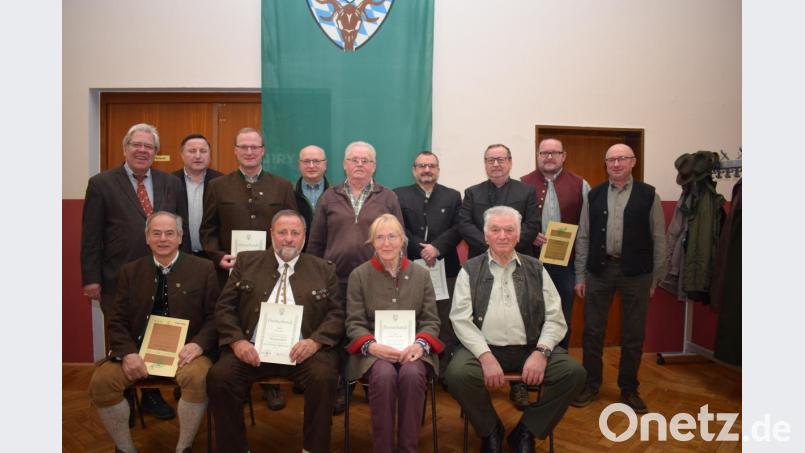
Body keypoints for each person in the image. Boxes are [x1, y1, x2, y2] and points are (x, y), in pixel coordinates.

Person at [446, 206, 585, 453]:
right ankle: (490, 429)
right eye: (495, 230)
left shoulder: (536, 268)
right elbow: (460, 319)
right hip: (484, 349)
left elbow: (555, 317)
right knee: (456, 375)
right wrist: (485, 356)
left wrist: (541, 352)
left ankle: (526, 431)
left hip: (530, 348)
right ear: (485, 235)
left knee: (573, 374)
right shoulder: (470, 270)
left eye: (509, 230)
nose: (502, 236)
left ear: (518, 235)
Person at [207, 210, 344, 453]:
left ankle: (313, 449)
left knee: (324, 377)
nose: (288, 238)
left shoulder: (323, 269)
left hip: (304, 351)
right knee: (220, 377)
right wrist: (237, 342)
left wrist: (314, 342)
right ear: (271, 234)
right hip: (252, 350)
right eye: (282, 232)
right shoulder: (247, 262)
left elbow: (336, 314)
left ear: (304, 237)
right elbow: (224, 308)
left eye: (295, 233)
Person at [81, 123, 188, 420]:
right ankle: (125, 399)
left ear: (156, 152)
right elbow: (90, 235)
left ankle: (151, 395)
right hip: (117, 276)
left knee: (156, 335)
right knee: (124, 337)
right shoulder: (101, 183)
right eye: (136, 145)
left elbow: (182, 228)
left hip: (163, 275)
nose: (142, 150)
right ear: (125, 148)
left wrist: (186, 268)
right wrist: (91, 278)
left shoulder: (170, 183)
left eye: (148, 146)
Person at [88, 211, 219, 453]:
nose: (163, 239)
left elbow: (215, 317)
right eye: (156, 233)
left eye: (170, 233)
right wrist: (128, 353)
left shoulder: (203, 268)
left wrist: (199, 344)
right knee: (102, 381)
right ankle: (125, 448)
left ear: (180, 237)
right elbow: (117, 320)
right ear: (147, 237)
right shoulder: (130, 271)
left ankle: (184, 447)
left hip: (186, 354)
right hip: (138, 352)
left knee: (198, 378)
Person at [200, 127, 297, 410]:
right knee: (238, 320)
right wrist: (218, 256)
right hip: (233, 270)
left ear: (263, 150)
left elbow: (293, 226)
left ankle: (270, 384)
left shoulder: (282, 186)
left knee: (268, 321)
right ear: (235, 151)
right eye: (243, 146)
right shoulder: (218, 186)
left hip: (273, 270)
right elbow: (208, 230)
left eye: (255, 147)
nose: (249, 151)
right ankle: (238, 384)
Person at [307, 141, 403, 411]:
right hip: (335, 279)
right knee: (339, 335)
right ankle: (343, 386)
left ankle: (373, 384)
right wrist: (315, 277)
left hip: (376, 280)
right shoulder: (329, 197)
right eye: (354, 159)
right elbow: (315, 242)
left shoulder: (388, 197)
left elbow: (400, 240)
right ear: (344, 164)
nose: (360, 164)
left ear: (374, 165)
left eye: (366, 160)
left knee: (369, 332)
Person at [571, 143, 667, 414]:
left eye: (622, 158)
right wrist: (580, 275)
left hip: (637, 274)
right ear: (606, 164)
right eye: (611, 159)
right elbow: (584, 236)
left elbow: (659, 239)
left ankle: (629, 389)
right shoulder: (594, 195)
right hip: (599, 271)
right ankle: (591, 385)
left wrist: (654, 280)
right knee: (592, 331)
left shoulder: (649, 195)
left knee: (633, 334)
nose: (616, 164)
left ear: (632, 162)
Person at [344, 214, 443, 453]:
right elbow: (354, 323)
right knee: (384, 375)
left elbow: (431, 320)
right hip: (373, 353)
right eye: (380, 238)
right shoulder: (359, 275)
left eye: (392, 237)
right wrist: (373, 346)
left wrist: (419, 345)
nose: (386, 243)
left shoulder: (421, 274)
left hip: (414, 351)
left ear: (402, 240)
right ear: (372, 242)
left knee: (412, 374)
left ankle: (408, 448)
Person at [457, 143, 540, 408]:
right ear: (485, 163)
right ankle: (481, 367)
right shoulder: (473, 192)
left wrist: (506, 245)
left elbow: (532, 225)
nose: (496, 164)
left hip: (519, 263)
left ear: (510, 162)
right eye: (490, 159)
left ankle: (519, 385)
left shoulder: (526, 191)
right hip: (482, 265)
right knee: (483, 316)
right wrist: (491, 245)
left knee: (519, 318)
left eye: (501, 159)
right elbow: (464, 224)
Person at [394, 151, 462, 374]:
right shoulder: (399, 195)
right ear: (414, 170)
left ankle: (444, 372)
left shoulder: (453, 196)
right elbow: (398, 228)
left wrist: (437, 247)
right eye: (422, 166)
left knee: (445, 319)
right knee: (413, 315)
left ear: (438, 170)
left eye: (432, 166)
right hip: (409, 267)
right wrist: (420, 248)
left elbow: (459, 227)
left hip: (446, 268)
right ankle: (416, 368)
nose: (427, 170)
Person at [521, 138, 590, 350]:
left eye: (554, 153)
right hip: (530, 260)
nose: (549, 157)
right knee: (530, 313)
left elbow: (587, 228)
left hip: (566, 264)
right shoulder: (522, 184)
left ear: (563, 156)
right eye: (544, 153)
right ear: (538, 156)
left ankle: (559, 359)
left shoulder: (581, 184)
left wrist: (581, 271)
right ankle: (530, 361)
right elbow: (512, 222)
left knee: (561, 314)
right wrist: (529, 234)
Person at [172, 133, 223, 258]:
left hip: (214, 256)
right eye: (192, 151)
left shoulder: (222, 182)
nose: (198, 156)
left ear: (210, 155)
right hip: (179, 254)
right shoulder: (170, 181)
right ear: (182, 155)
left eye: (203, 151)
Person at [294, 145, 331, 250]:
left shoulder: (337, 193)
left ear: (325, 165)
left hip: (328, 253)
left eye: (316, 161)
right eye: (306, 161)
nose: (311, 166)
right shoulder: (288, 193)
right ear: (299, 165)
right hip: (298, 253)